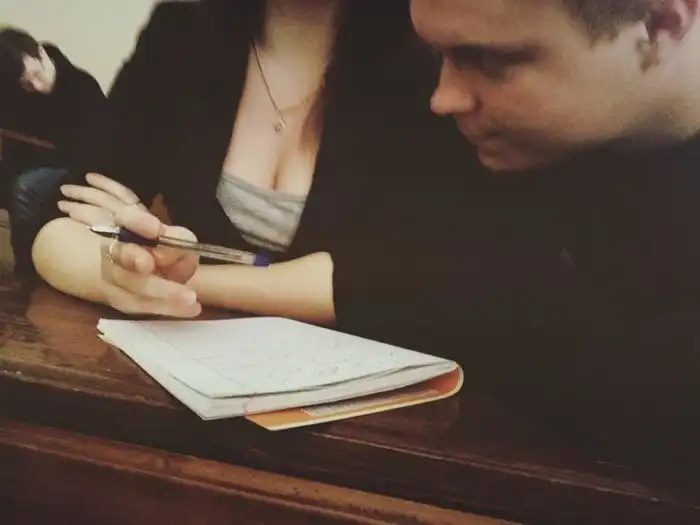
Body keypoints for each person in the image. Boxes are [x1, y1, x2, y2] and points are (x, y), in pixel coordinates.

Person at [29, 0, 509, 348]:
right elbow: (60, 220)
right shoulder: (182, 34)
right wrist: (121, 275)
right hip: (189, 374)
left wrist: (182, 282)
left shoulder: (433, 62)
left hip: (363, 413)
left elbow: (395, 282)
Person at [410, 0, 700, 471]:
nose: (443, 99)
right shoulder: (512, 143)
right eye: (437, 55)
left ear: (661, 22)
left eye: (491, 59)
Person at [0, 27, 106, 274]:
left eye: (37, 75)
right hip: (29, 165)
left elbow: (96, 154)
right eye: (26, 83)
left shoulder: (82, 86)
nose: (36, 86)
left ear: (41, 53)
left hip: (76, 169)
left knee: (26, 187)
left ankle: (28, 272)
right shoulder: (14, 91)